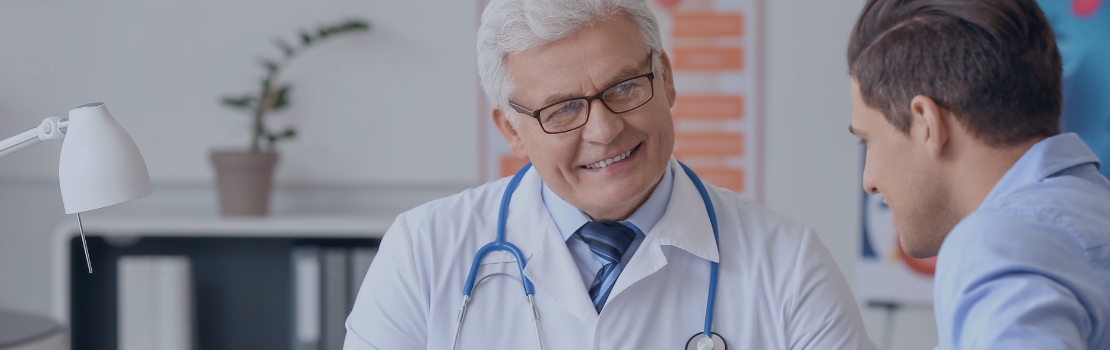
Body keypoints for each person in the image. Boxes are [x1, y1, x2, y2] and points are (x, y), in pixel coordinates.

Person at [343, 0, 874, 349]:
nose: (603, 130)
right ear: (511, 129)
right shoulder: (423, 252)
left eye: (623, 88)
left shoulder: (787, 264)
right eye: (563, 109)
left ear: (665, 78)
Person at [847, 0, 1110, 348]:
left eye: (869, 142)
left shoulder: (1000, 241)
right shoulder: (1091, 208)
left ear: (926, 123)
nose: (870, 181)